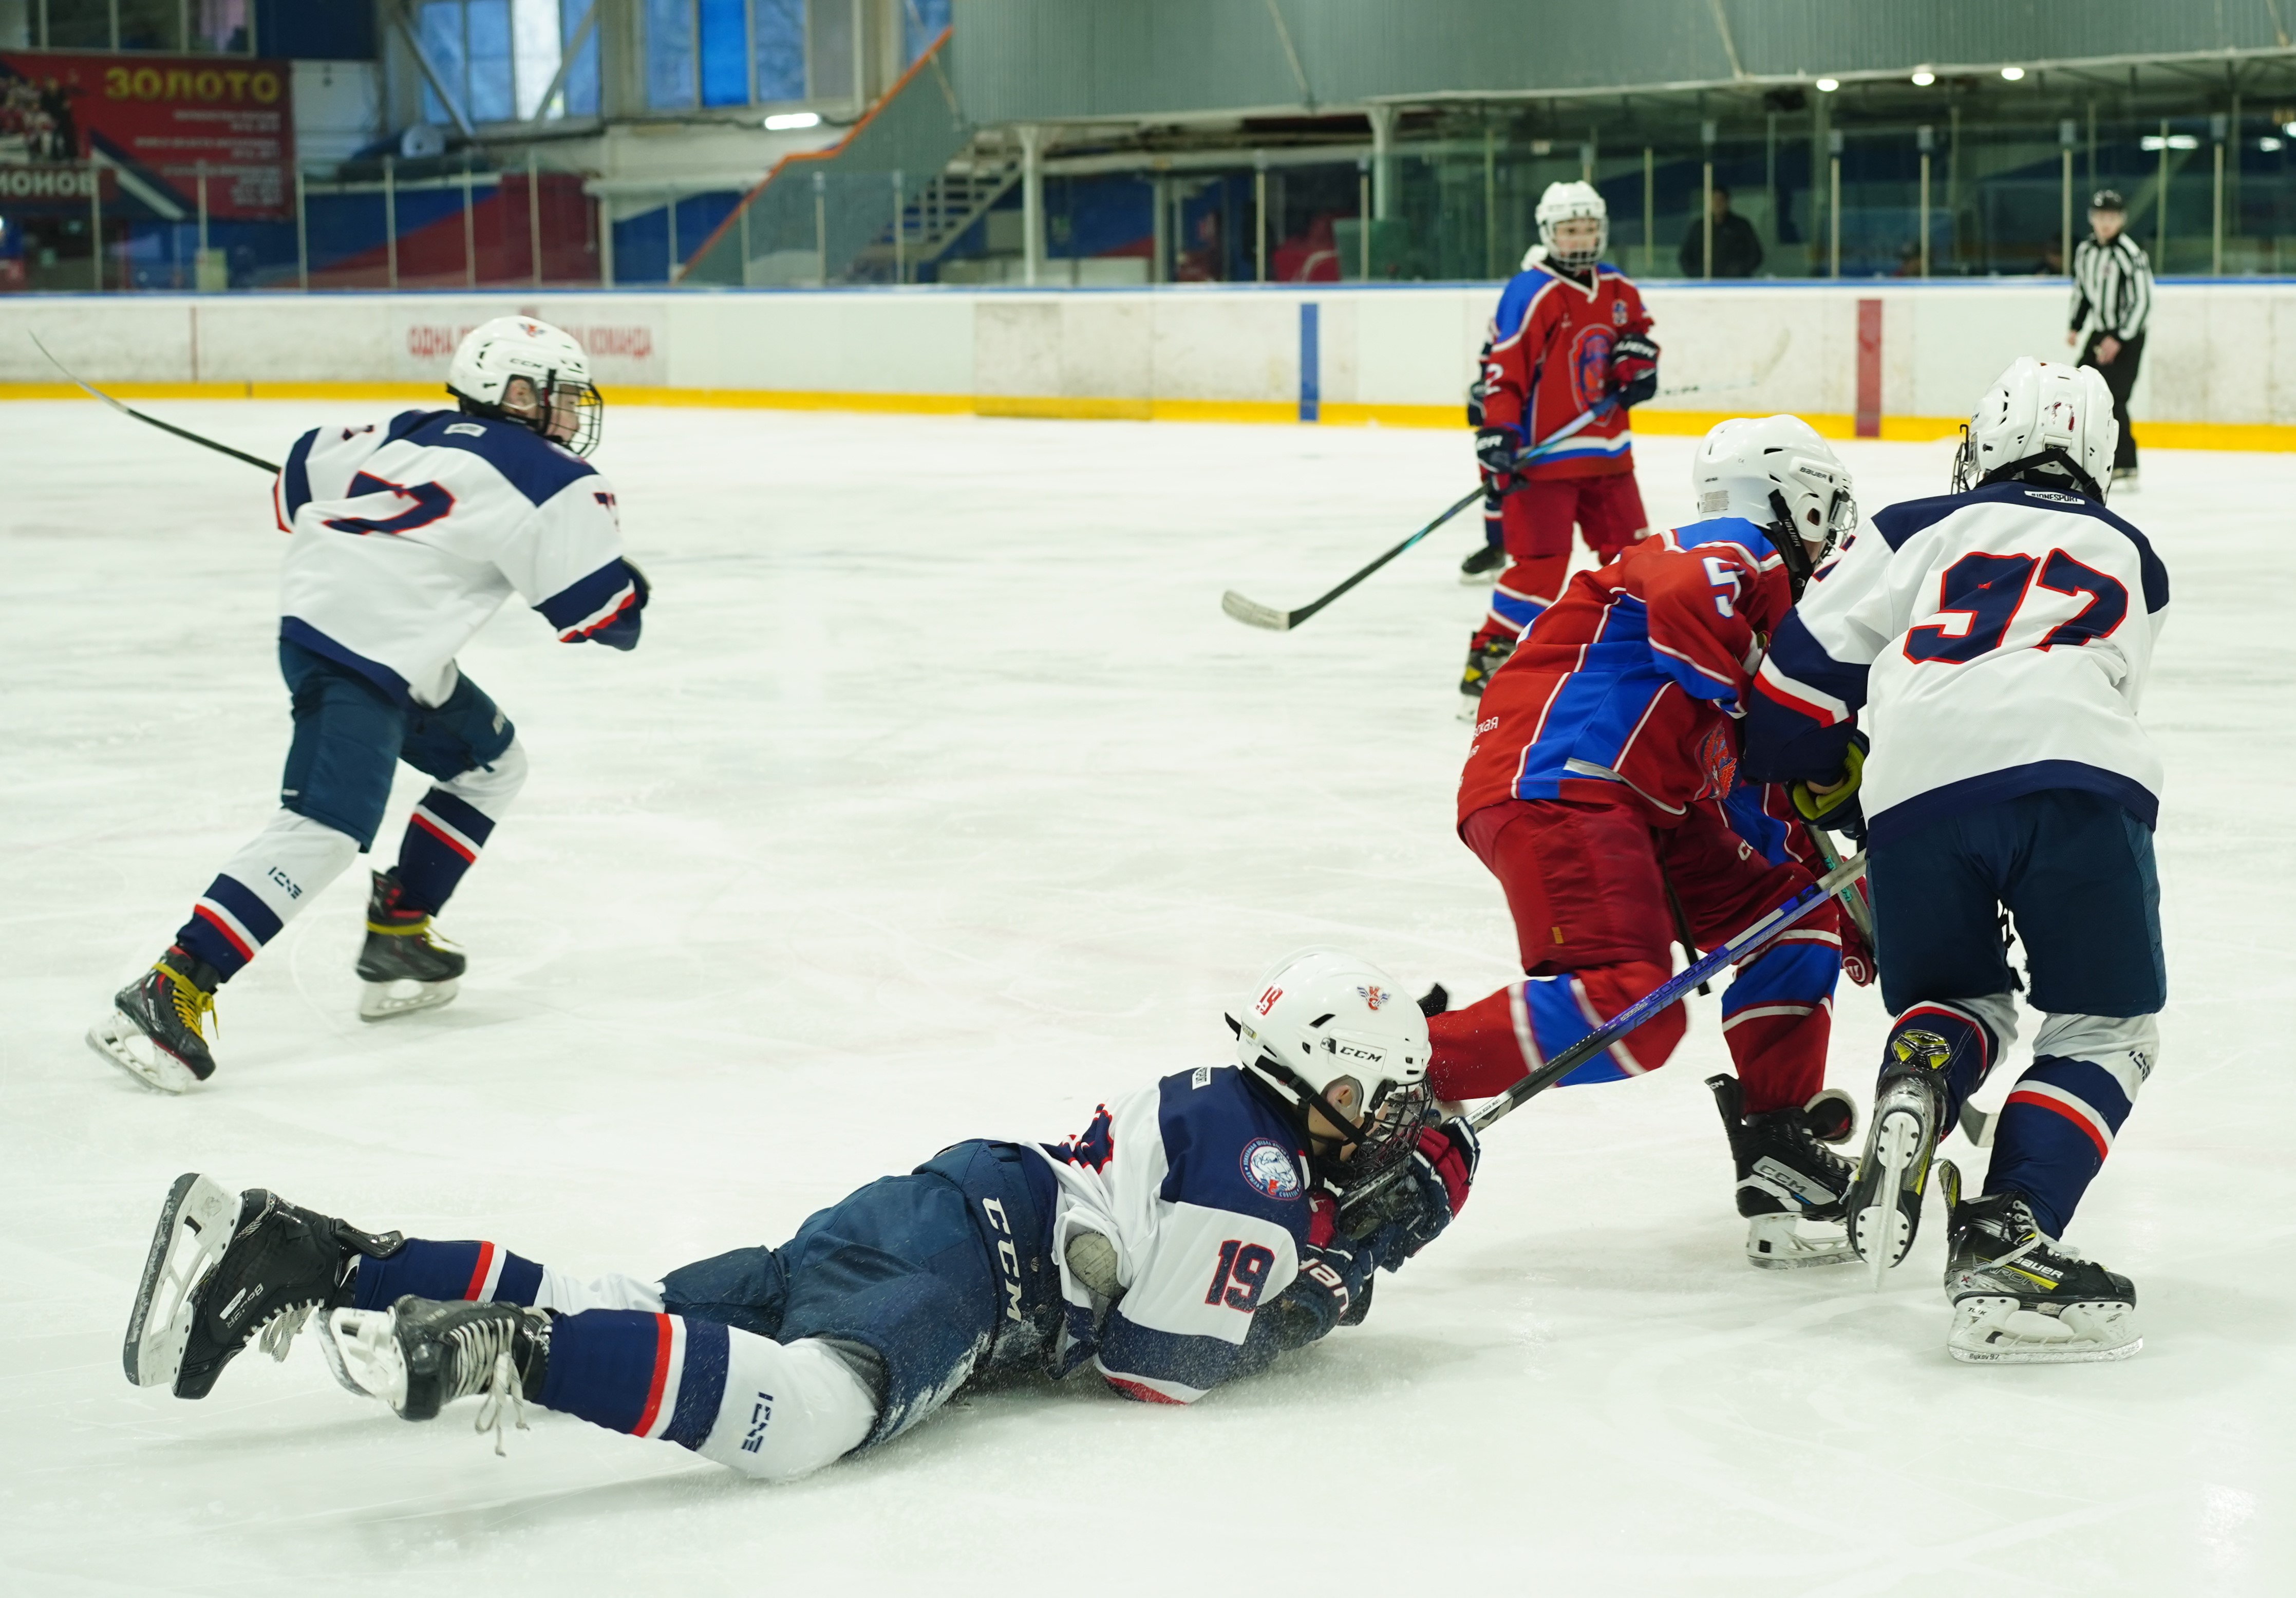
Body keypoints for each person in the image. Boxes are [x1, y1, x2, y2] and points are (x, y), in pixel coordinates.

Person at [120, 950, 1479, 1479]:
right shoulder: (1255, 1178)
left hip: (929, 1200)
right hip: (976, 1265)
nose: (1387, 1123)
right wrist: (1335, 1280)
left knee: (639, 1307)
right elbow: (1157, 1364)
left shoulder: (1225, 1101)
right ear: (1331, 1076)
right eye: (1384, 1096)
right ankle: (510, 1349)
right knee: (807, 1414)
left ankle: (318, 1247)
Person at [87, 317, 650, 1095]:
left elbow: (293, 484)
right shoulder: (558, 477)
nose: (568, 414)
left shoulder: (404, 426)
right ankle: (177, 980)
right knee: (324, 825)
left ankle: (399, 930)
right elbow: (603, 627)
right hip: (363, 650)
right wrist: (625, 590)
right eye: (554, 396)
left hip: (346, 635)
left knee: (491, 761)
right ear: (513, 392)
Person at [1742, 358, 2167, 1363]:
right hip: (2081, 774)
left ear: (1983, 444)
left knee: (1960, 1001)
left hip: (1916, 786)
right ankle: (2005, 1232)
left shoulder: (1911, 524)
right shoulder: (2135, 554)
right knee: (2109, 1029)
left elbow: (1793, 685)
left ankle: (1922, 1072)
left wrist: (1827, 781)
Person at [1433, 416, 1870, 1270]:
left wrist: (1838, 894)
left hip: (1639, 805)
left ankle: (1779, 1142)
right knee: (1632, 1011)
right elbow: (1683, 601)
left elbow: (1764, 806)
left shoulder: (1766, 622)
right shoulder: (1737, 549)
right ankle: (1411, 1072)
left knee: (1792, 918)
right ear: (1794, 497)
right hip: (1564, 777)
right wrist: (1778, 703)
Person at [1456, 182, 1660, 707]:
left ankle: (1633, 657)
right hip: (1545, 461)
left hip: (1609, 454)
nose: (1582, 238)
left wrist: (1637, 362)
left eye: (1589, 227)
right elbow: (1504, 372)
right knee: (1539, 569)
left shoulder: (1616, 285)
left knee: (1634, 560)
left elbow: (1638, 333)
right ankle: (1491, 660)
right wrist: (1499, 432)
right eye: (1571, 230)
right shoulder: (1531, 291)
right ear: (1550, 234)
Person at [2067, 189, 2151, 490]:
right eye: (2101, 217)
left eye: (2112, 217)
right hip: (2100, 332)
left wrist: (2119, 338)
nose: (2106, 223)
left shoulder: (2130, 253)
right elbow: (2083, 292)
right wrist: (2075, 326)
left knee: (2115, 398)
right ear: (2092, 218)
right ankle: (2079, 458)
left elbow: (2143, 301)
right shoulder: (2085, 251)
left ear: (2121, 220)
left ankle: (2126, 464)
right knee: (2079, 390)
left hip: (2128, 336)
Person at [1677, 185, 1764, 279]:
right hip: (1705, 286)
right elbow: (1685, 258)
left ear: (1727, 202)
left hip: (1736, 285)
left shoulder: (1741, 226)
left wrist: (1740, 270)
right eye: (1714, 200)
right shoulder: (1699, 227)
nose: (1717, 204)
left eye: (1720, 200)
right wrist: (1698, 274)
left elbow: (1756, 255)